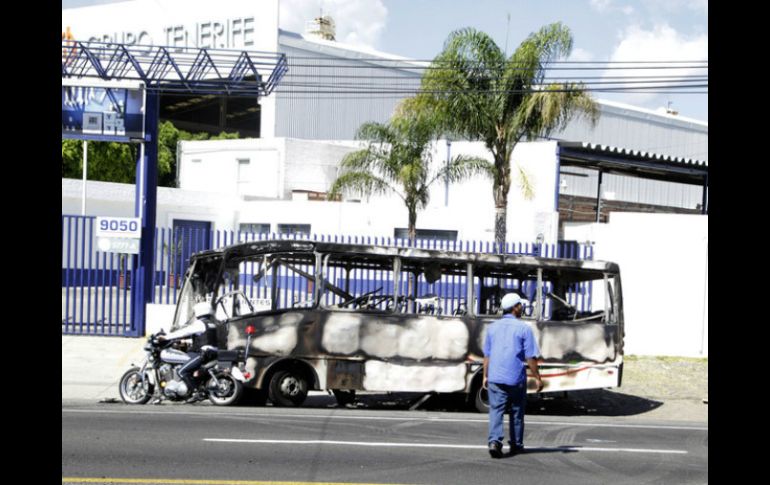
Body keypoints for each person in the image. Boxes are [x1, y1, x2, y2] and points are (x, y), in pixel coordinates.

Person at [483, 292, 543, 458]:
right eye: (520, 305)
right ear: (515, 308)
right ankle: (516, 444)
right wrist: (538, 378)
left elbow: (487, 355)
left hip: (495, 376)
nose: (522, 307)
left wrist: (485, 375)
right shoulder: (524, 328)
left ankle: (494, 442)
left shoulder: (492, 328)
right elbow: (530, 357)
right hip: (515, 378)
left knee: (496, 410)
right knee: (516, 411)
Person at [158, 302, 220, 402]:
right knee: (188, 365)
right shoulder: (211, 323)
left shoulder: (200, 324)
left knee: (182, 371)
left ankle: (197, 392)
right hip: (212, 352)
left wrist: (166, 337)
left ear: (199, 312)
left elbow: (184, 332)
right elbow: (204, 339)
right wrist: (185, 342)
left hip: (204, 354)